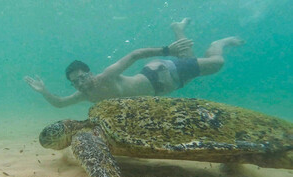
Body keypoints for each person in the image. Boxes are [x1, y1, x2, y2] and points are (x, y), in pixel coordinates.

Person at [25, 18, 245, 108]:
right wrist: (44, 91)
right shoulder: (85, 94)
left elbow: (135, 54)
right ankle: (179, 29)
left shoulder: (107, 76)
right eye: (75, 83)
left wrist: (167, 50)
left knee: (215, 63)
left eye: (82, 77)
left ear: (90, 73)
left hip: (160, 74)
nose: (81, 84)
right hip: (166, 87)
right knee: (189, 60)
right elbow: (60, 103)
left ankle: (220, 42)